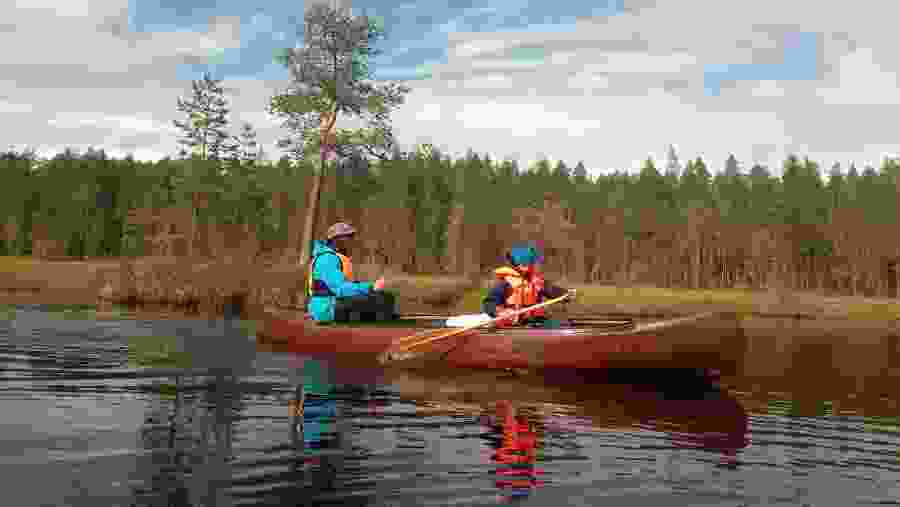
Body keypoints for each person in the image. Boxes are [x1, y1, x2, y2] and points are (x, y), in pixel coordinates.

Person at [306, 222, 393, 323]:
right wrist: (371, 287)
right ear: (336, 239)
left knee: (383, 297)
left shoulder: (333, 257)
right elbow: (340, 289)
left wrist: (369, 288)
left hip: (330, 304)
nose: (352, 240)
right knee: (381, 299)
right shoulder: (327, 259)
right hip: (327, 308)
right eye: (349, 236)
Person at [481, 242, 576, 327]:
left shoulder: (537, 281)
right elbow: (488, 304)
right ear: (515, 263)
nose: (529, 265)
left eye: (530, 262)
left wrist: (566, 294)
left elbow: (553, 291)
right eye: (524, 263)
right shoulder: (505, 283)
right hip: (512, 324)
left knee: (561, 324)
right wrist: (500, 312)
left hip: (535, 321)